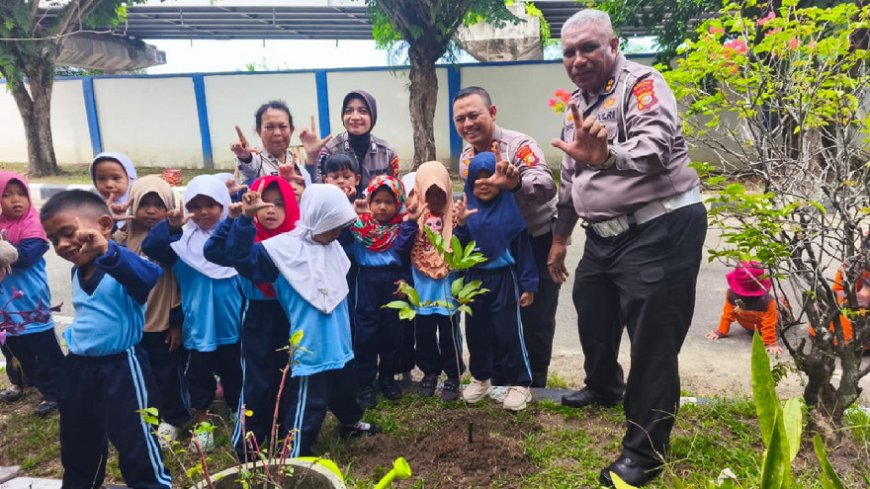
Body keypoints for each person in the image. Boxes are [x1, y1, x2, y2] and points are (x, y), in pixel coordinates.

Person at [546, 9, 707, 487]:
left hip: (659, 229)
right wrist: (559, 238)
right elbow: (571, 179)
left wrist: (610, 155)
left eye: (588, 48)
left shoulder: (642, 84)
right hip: (604, 236)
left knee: (653, 341)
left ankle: (645, 452)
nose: (578, 59)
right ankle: (603, 387)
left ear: (613, 45)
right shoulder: (578, 103)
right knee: (590, 307)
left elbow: (656, 146)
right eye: (569, 52)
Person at [225, 184, 379, 457]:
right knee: (309, 405)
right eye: (333, 224)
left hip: (338, 340)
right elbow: (242, 259)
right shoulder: (281, 250)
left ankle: (350, 422)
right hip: (311, 345)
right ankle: (291, 458)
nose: (338, 231)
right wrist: (245, 220)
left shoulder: (332, 245)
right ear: (317, 218)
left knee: (344, 386)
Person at [39, 190, 171, 489]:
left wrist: (109, 250)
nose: (62, 245)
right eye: (53, 240)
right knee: (77, 442)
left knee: (135, 443)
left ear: (104, 225)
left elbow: (148, 275)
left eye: (68, 233)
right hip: (78, 369)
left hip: (122, 369)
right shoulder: (78, 270)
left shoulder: (123, 268)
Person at [453, 86, 559, 388]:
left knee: (535, 317)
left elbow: (546, 184)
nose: (467, 124)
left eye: (474, 115)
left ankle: (534, 384)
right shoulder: (465, 158)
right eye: (460, 119)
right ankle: (500, 382)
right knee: (495, 320)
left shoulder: (519, 145)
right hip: (494, 251)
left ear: (492, 112)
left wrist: (514, 184)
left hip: (534, 241)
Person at [142, 175, 243, 453]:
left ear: (223, 204)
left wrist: (236, 218)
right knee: (199, 375)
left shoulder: (231, 237)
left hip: (233, 323)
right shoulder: (181, 243)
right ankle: (203, 422)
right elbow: (151, 248)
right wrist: (170, 227)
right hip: (199, 325)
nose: (203, 212)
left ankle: (238, 412)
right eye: (195, 206)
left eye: (210, 204)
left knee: (234, 370)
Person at [203, 175, 301, 460]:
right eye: (263, 203)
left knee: (288, 375)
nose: (271, 210)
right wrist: (237, 220)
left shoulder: (295, 239)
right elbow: (217, 252)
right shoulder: (247, 236)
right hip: (257, 314)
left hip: (289, 314)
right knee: (257, 379)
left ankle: (284, 433)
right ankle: (249, 440)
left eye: (280, 204)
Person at [453, 152, 538, 411]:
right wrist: (461, 225)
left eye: (489, 176)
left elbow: (524, 252)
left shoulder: (511, 213)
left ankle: (520, 384)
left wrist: (529, 285)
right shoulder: (466, 212)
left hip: (504, 279)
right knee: (476, 331)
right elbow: (458, 252)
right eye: (476, 180)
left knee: (508, 332)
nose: (483, 183)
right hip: (474, 279)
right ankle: (481, 379)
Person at [113, 175, 191, 444]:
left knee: (168, 374)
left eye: (158, 204)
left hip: (162, 322)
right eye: (143, 203)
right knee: (142, 374)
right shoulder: (123, 238)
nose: (149, 210)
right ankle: (151, 416)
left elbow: (178, 284)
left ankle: (176, 418)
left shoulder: (172, 239)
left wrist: (176, 322)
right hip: (133, 324)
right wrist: (116, 221)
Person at [394, 162, 464, 402]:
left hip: (447, 290)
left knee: (449, 334)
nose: (434, 198)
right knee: (423, 334)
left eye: (440, 192)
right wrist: (411, 223)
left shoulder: (455, 217)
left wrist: (462, 226)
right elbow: (400, 252)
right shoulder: (412, 219)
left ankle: (453, 376)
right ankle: (429, 373)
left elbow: (463, 251)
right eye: (429, 192)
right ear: (420, 191)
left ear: (447, 190)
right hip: (421, 290)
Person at [0, 172, 64, 416]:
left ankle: (55, 390)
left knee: (42, 346)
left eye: (21, 194)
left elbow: (26, 257)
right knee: (11, 344)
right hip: (5, 303)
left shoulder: (33, 225)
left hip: (29, 299)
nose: (16, 200)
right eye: (6, 195)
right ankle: (20, 381)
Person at [348, 175, 408, 406]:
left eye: (389, 202)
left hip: (393, 281)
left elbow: (408, 257)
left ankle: (387, 379)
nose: (382, 207)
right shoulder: (357, 225)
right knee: (365, 332)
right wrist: (357, 216)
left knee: (393, 332)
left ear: (398, 203)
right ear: (369, 201)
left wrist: (405, 280)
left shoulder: (402, 227)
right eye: (377, 201)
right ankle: (365, 384)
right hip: (366, 280)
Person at [301, 90, 399, 191]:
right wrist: (311, 158)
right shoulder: (330, 150)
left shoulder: (387, 153)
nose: (355, 117)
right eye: (349, 111)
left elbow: (397, 193)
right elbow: (315, 190)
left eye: (363, 111)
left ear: (372, 117)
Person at [231, 100, 312, 199]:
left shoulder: (299, 158)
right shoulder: (256, 158)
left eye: (283, 127)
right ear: (258, 131)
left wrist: (313, 156)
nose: (277, 133)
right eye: (270, 127)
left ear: (291, 130)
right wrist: (245, 158)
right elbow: (249, 169)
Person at [706, 261, 783, 355]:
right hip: (756, 326)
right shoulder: (767, 301)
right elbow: (728, 313)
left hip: (754, 326)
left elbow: (728, 313)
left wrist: (770, 343)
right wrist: (721, 331)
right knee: (780, 301)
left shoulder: (732, 294)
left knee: (780, 304)